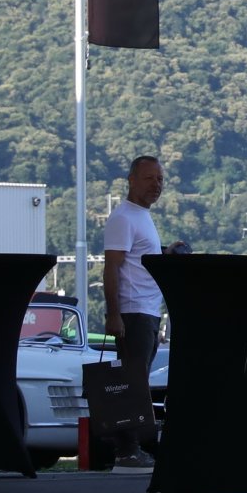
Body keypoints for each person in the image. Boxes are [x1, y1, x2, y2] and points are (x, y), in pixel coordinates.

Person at [102, 155, 186, 472]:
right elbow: (112, 267)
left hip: (148, 311)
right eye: (149, 178)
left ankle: (135, 447)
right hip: (132, 312)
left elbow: (139, 260)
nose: (156, 185)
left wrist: (165, 253)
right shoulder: (123, 217)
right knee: (130, 384)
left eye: (160, 179)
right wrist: (114, 314)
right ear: (132, 180)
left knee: (137, 382)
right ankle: (126, 452)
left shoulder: (142, 217)